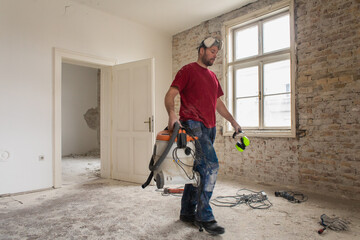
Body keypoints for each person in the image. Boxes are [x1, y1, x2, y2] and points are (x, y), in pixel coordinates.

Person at [164, 36, 242, 235]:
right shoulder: (187, 70)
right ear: (202, 51)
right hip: (192, 124)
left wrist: (232, 121)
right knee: (211, 166)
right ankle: (204, 215)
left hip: (210, 127)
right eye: (212, 51)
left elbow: (218, 103)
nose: (215, 55)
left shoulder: (213, 77)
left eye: (217, 52)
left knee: (199, 169)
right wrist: (172, 114)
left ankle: (187, 212)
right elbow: (170, 94)